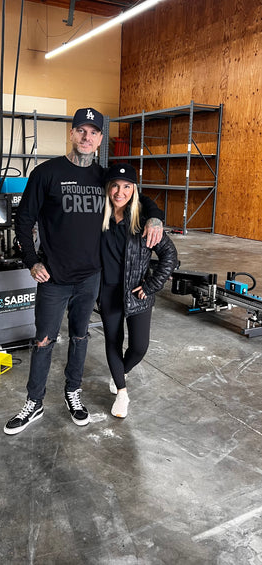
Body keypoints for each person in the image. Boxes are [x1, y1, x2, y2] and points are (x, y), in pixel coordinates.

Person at [4, 107, 164, 435]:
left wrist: (156, 216)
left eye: (93, 132)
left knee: (80, 337)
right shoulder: (46, 173)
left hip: (91, 277)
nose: (86, 137)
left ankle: (72, 393)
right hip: (54, 276)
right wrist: (32, 261)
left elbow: (137, 198)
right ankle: (34, 402)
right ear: (72, 133)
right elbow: (23, 220)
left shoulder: (103, 177)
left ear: (100, 139)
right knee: (44, 340)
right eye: (81, 130)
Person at [100, 163, 178, 418]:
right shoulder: (97, 218)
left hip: (137, 292)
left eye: (126, 187)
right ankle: (122, 392)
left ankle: (121, 372)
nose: (119, 192)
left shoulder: (144, 223)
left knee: (140, 347)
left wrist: (152, 285)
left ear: (134, 190)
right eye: (114, 185)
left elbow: (169, 254)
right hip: (107, 291)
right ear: (108, 188)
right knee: (113, 341)